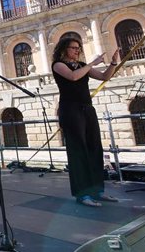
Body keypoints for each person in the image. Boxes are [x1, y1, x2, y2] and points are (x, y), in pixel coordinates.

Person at [51, 37, 119, 207]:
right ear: (64, 49)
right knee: (78, 150)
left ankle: (97, 190)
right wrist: (92, 63)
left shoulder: (82, 66)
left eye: (78, 48)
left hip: (87, 108)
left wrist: (113, 64)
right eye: (73, 48)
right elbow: (73, 77)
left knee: (94, 148)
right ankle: (83, 194)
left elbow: (104, 77)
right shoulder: (58, 65)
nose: (77, 51)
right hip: (70, 110)